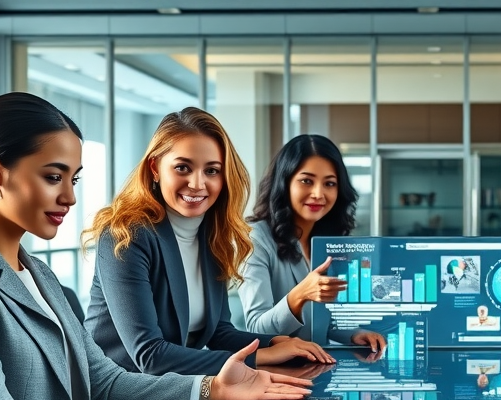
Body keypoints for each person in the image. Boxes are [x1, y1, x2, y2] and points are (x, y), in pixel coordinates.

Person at [0, 93, 312, 400]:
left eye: (72, 180)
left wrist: (215, 388)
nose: (70, 197)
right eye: (54, 177)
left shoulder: (37, 273)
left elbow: (105, 381)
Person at [84, 109, 334, 381]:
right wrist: (258, 356)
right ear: (155, 168)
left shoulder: (212, 237)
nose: (197, 183)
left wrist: (274, 343)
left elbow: (219, 333)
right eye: (182, 168)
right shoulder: (126, 235)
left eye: (212, 170)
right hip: (121, 392)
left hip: (176, 386)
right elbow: (150, 355)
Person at [239, 134, 385, 351]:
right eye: (307, 181)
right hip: (274, 376)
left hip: (317, 371)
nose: (318, 194)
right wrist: (300, 295)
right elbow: (256, 329)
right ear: (285, 182)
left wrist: (355, 335)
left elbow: (322, 322)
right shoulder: (255, 239)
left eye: (329, 183)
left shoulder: (329, 240)